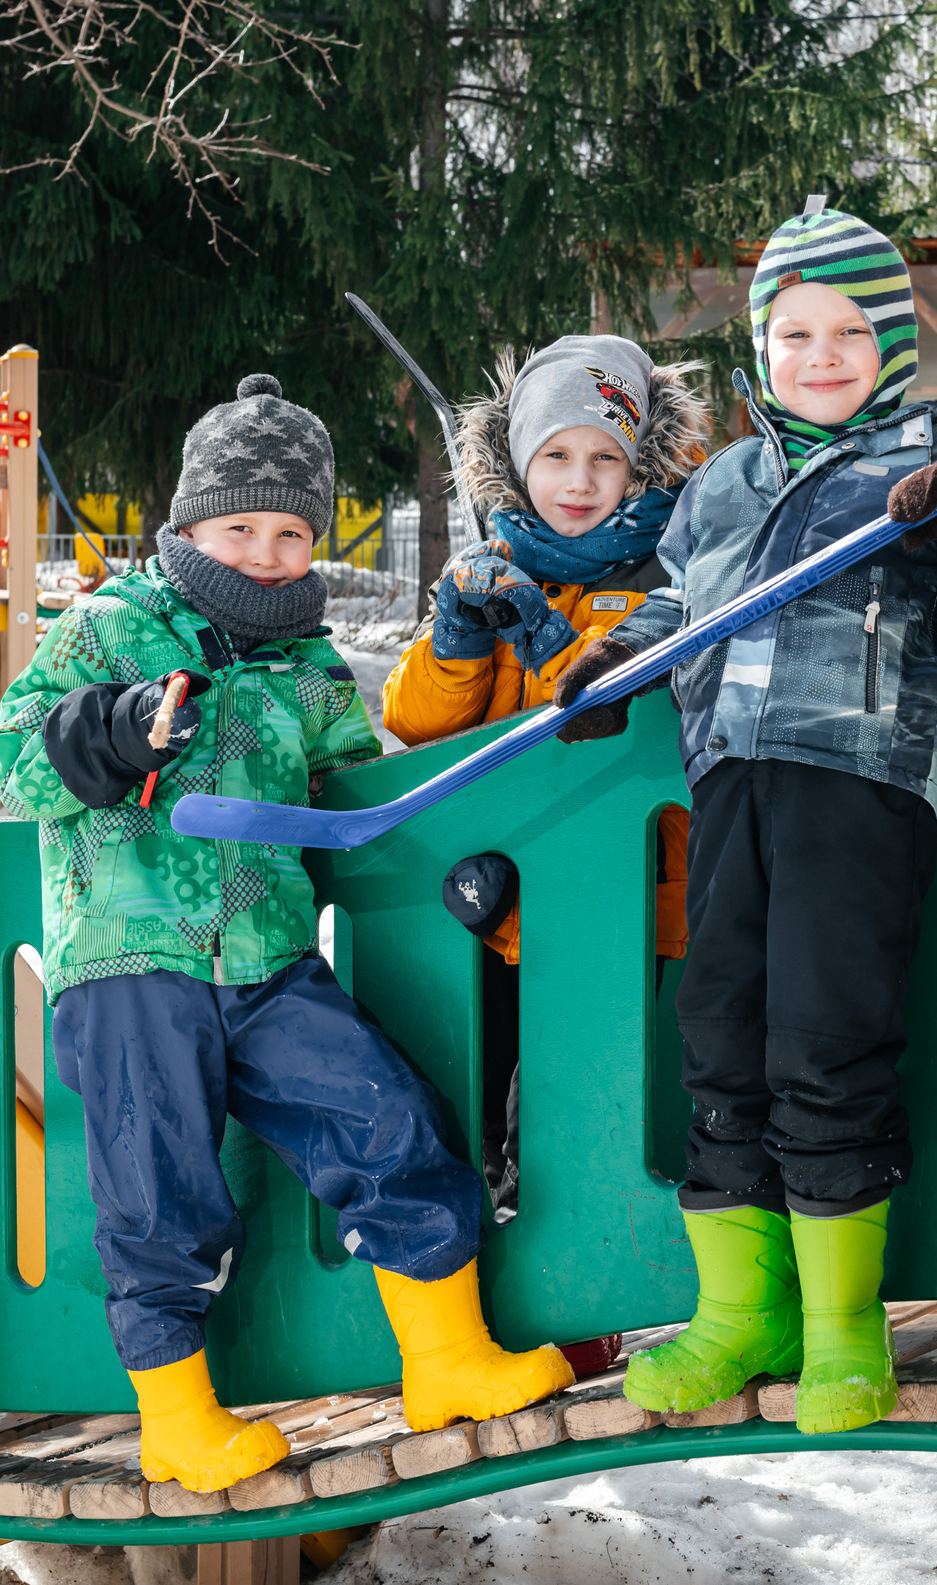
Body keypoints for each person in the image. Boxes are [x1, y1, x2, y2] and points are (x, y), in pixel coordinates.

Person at [550, 205, 937, 1434]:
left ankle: (847, 1329)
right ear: (760, 347)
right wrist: (608, 667)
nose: (822, 354)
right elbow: (675, 604)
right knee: (720, 1025)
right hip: (731, 773)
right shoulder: (726, 481)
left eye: (850, 330)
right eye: (795, 333)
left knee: (826, 1037)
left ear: (893, 343)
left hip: (863, 780)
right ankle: (743, 1313)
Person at [0, 374, 573, 1496]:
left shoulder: (308, 670)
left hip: (264, 960)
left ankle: (446, 1358)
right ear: (189, 525)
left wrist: (455, 858)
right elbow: (18, 763)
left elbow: (361, 803)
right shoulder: (110, 627)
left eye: (291, 531)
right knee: (157, 1189)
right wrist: (116, 730)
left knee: (386, 1115)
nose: (265, 550)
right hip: (130, 966)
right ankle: (177, 1419)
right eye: (239, 525)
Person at [383, 337, 708, 1374]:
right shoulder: (496, 566)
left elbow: (616, 706)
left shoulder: (668, 571)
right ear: (517, 464)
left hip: (628, 899)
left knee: (592, 1107)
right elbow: (418, 723)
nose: (578, 484)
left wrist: (551, 646)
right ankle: (505, 1304)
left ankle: (597, 1296)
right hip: (510, 906)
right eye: (555, 458)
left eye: (604, 461)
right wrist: (459, 638)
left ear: (642, 466)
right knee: (490, 1100)